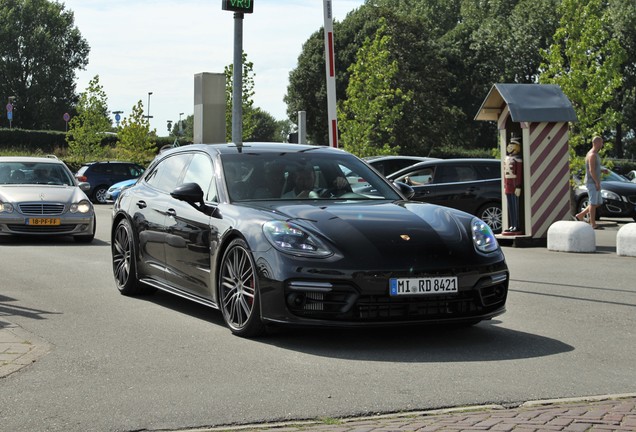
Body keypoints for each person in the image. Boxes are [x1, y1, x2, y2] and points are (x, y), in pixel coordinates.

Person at [575, 136, 604, 228]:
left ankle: (581, 215)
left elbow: (595, 168)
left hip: (595, 181)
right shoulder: (591, 155)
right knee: (593, 203)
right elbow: (591, 170)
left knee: (598, 202)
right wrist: (597, 182)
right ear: (595, 143)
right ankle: (592, 223)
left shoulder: (596, 154)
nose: (602, 144)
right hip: (592, 182)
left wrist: (602, 170)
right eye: (600, 142)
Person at [502, 137, 523, 235]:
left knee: (515, 206)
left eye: (512, 145)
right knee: (510, 206)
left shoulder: (518, 159)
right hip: (508, 185)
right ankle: (512, 224)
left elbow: (518, 174)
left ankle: (516, 225)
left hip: (514, 185)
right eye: (509, 145)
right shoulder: (507, 158)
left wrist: (518, 186)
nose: (509, 147)